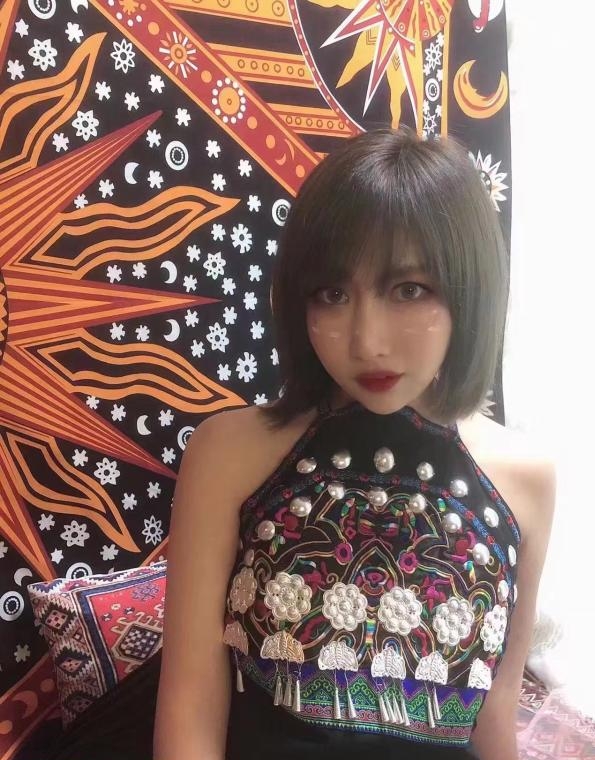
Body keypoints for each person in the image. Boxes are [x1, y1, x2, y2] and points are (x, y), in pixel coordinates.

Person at [154, 126, 555, 760]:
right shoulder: (228, 453)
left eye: (409, 289)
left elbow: (493, 717)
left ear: (470, 288)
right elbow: (191, 711)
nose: (367, 340)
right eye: (333, 294)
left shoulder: (526, 478)